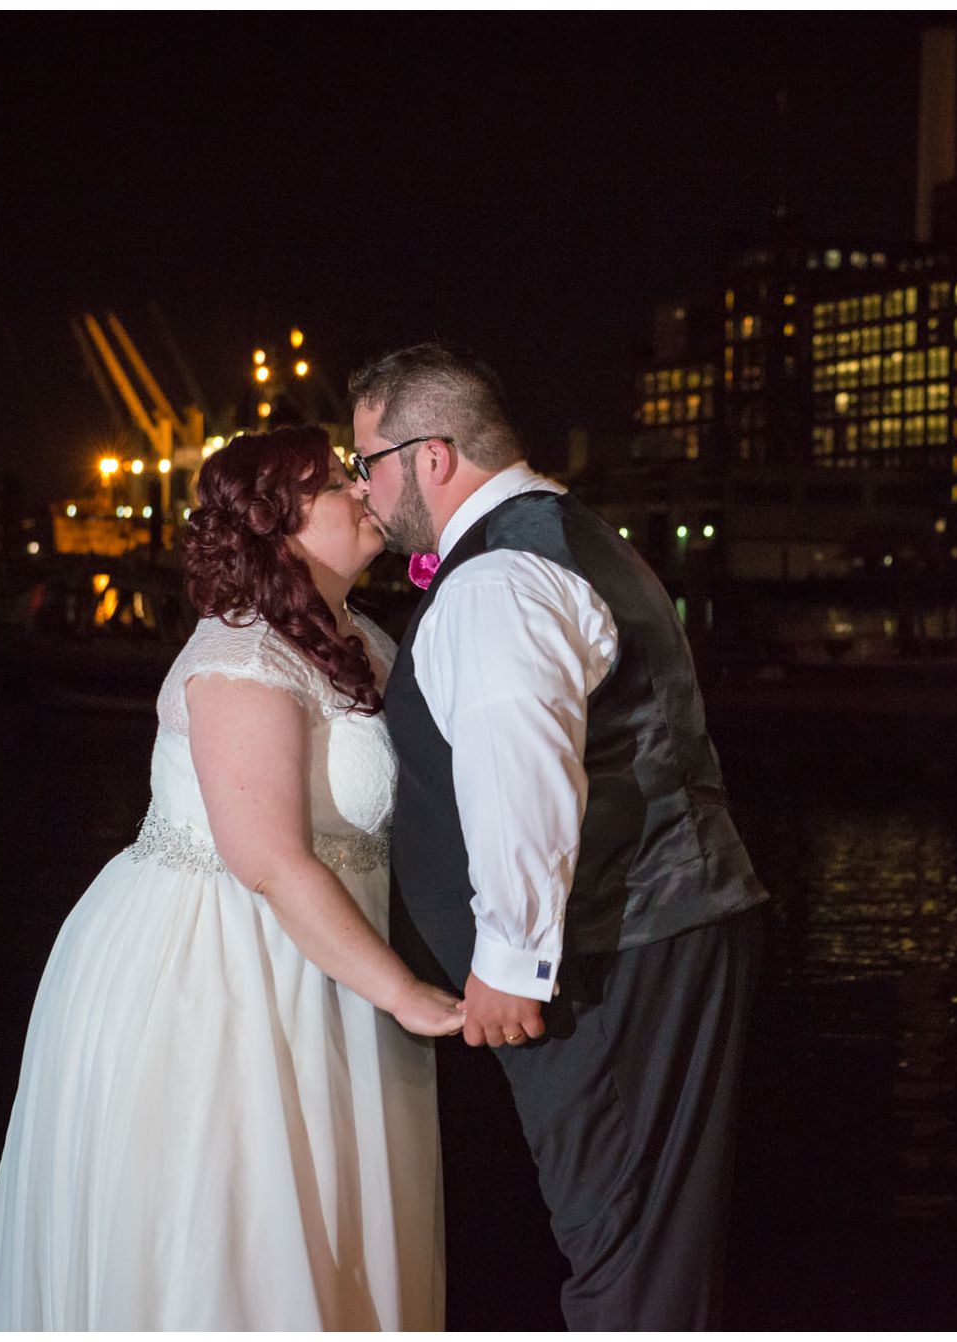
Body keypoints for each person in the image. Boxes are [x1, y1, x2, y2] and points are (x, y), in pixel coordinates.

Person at [0, 426, 464, 1330]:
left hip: (329, 963)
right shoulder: (241, 656)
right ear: (277, 523)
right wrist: (405, 995)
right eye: (335, 483)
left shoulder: (368, 644)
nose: (363, 491)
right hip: (220, 975)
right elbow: (270, 860)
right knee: (228, 1245)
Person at [348, 343, 769, 1330]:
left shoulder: (498, 579)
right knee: (642, 1234)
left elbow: (522, 770)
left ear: (433, 455)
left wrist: (510, 961)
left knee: (619, 1239)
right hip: (663, 932)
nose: (364, 487)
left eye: (369, 459)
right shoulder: (569, 534)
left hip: (615, 954)